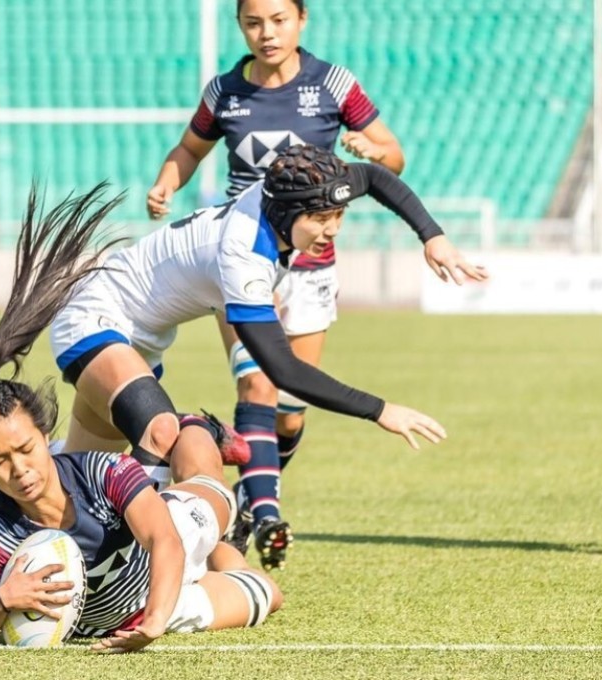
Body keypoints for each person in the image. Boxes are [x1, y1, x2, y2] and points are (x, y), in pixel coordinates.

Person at [145, 0, 487, 567]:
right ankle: (266, 515)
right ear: (240, 26)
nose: (267, 32)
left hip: (311, 266)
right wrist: (166, 182)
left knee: (291, 406)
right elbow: (190, 148)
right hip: (244, 262)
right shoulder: (224, 92)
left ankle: (250, 497)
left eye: (278, 20)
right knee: (258, 384)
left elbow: (392, 157)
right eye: (253, 22)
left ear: (301, 20)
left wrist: (375, 151)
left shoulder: (333, 84)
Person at [52, 144, 468, 573]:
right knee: (160, 430)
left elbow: (376, 177)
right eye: (320, 219)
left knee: (74, 479)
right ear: (287, 214)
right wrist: (380, 410)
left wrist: (432, 236)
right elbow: (284, 370)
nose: (332, 229)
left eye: (338, 215)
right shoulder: (244, 256)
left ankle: (20, 514)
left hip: (142, 340)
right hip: (93, 318)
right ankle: (133, 568)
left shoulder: (286, 196)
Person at [0, 188, 282, 652]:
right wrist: (3, 599)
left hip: (172, 542)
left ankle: (199, 430)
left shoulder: (98, 471)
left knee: (199, 470)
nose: (19, 469)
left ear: (45, 437)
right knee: (266, 591)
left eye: (25, 450)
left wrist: (156, 622)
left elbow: (165, 541)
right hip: (138, 609)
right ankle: (225, 552)